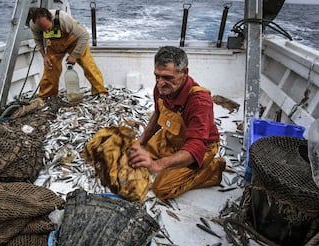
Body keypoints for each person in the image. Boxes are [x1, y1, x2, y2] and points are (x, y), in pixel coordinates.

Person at [128, 46, 226, 200]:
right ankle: (167, 158)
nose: (160, 83)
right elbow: (158, 114)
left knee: (162, 189)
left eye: (167, 77)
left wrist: (158, 165)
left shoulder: (199, 101)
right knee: (134, 159)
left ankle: (212, 169)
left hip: (200, 146)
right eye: (157, 76)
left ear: (184, 73)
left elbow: (196, 146)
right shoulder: (161, 88)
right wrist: (141, 141)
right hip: (170, 136)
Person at [29, 8, 109, 99]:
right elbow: (38, 41)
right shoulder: (34, 25)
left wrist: (74, 55)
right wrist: (45, 56)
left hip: (74, 41)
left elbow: (84, 35)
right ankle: (47, 96)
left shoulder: (63, 19)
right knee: (50, 69)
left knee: (88, 65)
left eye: (48, 28)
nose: (46, 32)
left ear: (51, 19)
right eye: (43, 30)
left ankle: (100, 92)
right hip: (55, 45)